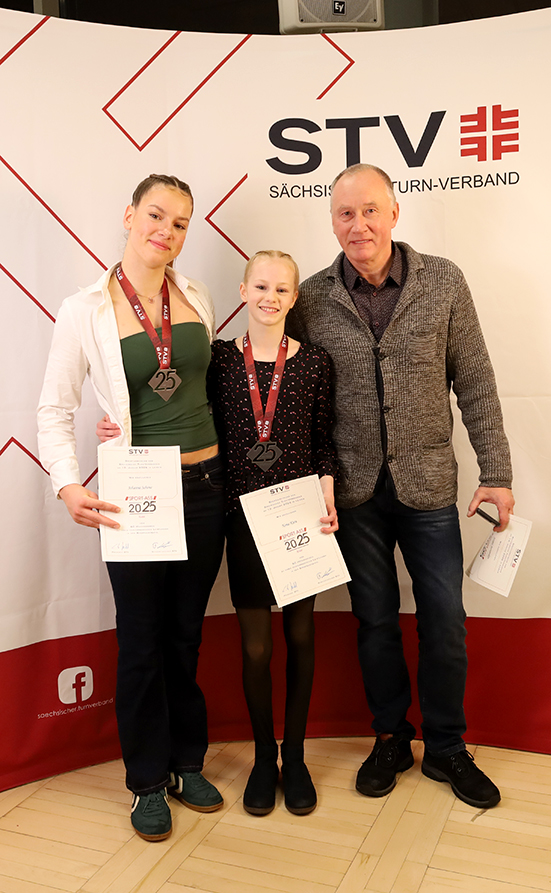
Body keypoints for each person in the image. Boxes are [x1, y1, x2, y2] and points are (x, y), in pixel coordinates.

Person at [287, 163, 515, 810]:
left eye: (369, 210)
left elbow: (475, 380)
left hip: (428, 486)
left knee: (444, 620)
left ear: (393, 212)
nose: (358, 225)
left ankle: (445, 745)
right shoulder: (310, 298)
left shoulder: (443, 281)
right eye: (344, 213)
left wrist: (496, 473)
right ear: (332, 222)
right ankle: (390, 735)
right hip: (352, 494)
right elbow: (292, 394)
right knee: (375, 621)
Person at [37, 174, 226, 842]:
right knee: (142, 639)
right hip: (137, 493)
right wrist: (68, 483)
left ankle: (186, 762)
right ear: (129, 215)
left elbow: (205, 389)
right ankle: (147, 778)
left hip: (205, 487)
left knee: (186, 634)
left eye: (179, 223)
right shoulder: (84, 308)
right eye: (155, 215)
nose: (165, 231)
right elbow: (55, 409)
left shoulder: (195, 295)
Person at [208, 250, 338, 816]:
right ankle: (265, 757)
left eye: (282, 289)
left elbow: (324, 438)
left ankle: (297, 756)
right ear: (243, 291)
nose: (271, 298)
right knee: (256, 647)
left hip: (300, 518)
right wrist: (116, 423)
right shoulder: (219, 360)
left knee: (301, 636)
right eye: (261, 286)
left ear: (295, 297)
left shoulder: (314, 363)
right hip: (243, 520)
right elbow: (189, 420)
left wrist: (328, 489)